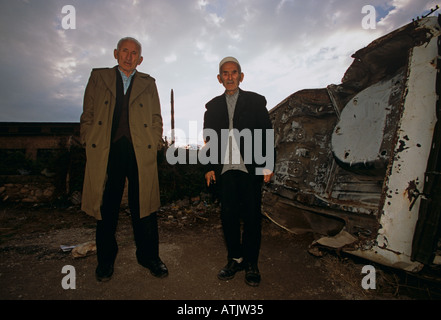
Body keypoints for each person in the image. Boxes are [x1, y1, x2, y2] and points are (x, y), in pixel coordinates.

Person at [80, 37, 168, 282]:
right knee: (106, 206)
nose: (129, 56)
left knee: (145, 205)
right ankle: (105, 260)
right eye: (125, 51)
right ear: (116, 53)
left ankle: (149, 256)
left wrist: (155, 141)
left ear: (140, 59)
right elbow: (87, 113)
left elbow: (156, 116)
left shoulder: (148, 83)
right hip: (107, 149)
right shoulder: (99, 77)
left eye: (134, 53)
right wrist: (88, 138)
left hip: (140, 149)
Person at [203, 57, 274, 287]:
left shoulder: (255, 102)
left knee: (252, 217)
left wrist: (268, 164)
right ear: (219, 78)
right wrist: (208, 168)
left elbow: (266, 134)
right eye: (225, 73)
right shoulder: (212, 107)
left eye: (234, 72)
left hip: (250, 168)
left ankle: (251, 263)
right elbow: (208, 141)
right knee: (229, 217)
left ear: (241, 76)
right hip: (225, 170)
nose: (230, 77)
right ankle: (235, 259)